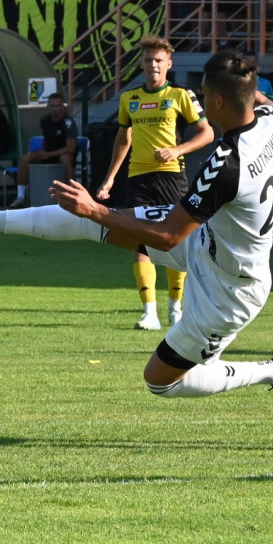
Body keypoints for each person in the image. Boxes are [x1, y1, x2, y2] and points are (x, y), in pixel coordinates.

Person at [0, 52, 273, 418]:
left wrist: (98, 210)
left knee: (162, 381)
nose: (200, 104)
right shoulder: (271, 123)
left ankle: (272, 370)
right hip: (208, 241)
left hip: (229, 290)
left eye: (203, 96)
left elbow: (167, 237)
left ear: (218, 100)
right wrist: (99, 215)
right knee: (96, 222)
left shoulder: (226, 163)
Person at [97, 35, 215, 331]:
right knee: (141, 241)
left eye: (159, 60)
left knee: (178, 240)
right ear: (141, 63)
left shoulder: (180, 95)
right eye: (148, 60)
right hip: (138, 177)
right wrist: (110, 179)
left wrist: (177, 150)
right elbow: (124, 139)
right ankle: (149, 312)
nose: (153, 65)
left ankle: (176, 307)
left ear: (169, 64)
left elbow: (207, 133)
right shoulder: (129, 99)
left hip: (172, 176)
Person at [8, 93, 78, 208]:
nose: (55, 109)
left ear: (62, 107)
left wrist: (47, 154)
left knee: (65, 158)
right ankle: (21, 197)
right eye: (52, 106)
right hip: (48, 153)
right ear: (48, 107)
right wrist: (41, 153)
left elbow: (71, 148)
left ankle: (71, 195)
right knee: (26, 158)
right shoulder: (44, 120)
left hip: (63, 154)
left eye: (57, 106)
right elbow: (47, 140)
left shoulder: (69, 123)